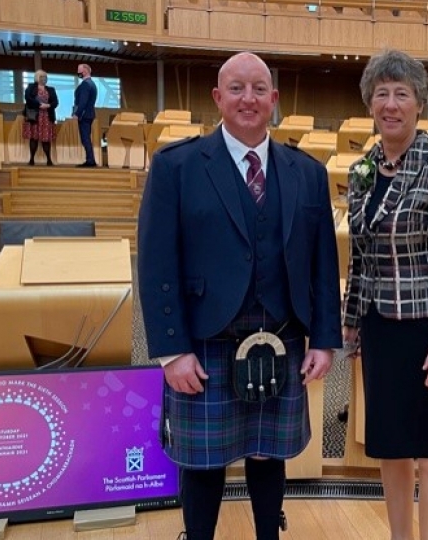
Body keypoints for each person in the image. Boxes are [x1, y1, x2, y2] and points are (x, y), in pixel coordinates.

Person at [137, 52, 341, 540]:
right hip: (205, 340)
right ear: (217, 98)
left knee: (268, 452)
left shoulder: (307, 172)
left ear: (274, 99)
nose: (247, 99)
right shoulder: (177, 166)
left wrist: (324, 339)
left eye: (258, 89)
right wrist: (171, 350)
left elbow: (324, 264)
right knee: (201, 460)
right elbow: (156, 265)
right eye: (236, 89)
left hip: (283, 335)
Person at [342, 49, 428, 540]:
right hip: (380, 329)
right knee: (391, 450)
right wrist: (351, 322)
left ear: (419, 103)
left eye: (401, 94)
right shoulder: (363, 171)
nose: (390, 104)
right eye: (381, 94)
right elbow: (361, 255)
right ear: (370, 105)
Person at [22, 69, 58, 166]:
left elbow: (55, 102)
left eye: (45, 77)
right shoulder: (30, 87)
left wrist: (48, 105)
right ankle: (31, 160)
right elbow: (28, 99)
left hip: (46, 117)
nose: (44, 79)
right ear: (37, 78)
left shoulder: (51, 89)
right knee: (34, 138)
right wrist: (39, 105)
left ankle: (49, 160)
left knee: (46, 139)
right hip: (35, 116)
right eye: (42, 77)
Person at [72, 63, 98, 167]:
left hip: (84, 115)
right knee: (86, 137)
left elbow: (83, 101)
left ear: (86, 71)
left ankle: (90, 160)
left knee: (85, 138)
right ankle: (90, 159)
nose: (78, 73)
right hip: (89, 114)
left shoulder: (86, 84)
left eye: (80, 71)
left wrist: (77, 114)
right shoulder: (92, 84)